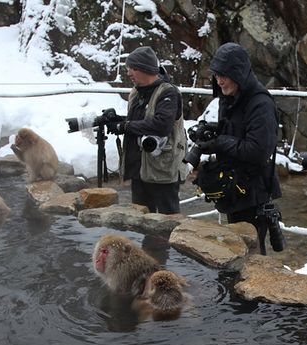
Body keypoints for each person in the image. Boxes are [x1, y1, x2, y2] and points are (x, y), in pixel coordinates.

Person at [195, 42, 283, 255]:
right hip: (234, 189)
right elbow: (236, 133)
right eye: (217, 75)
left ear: (238, 73)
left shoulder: (260, 104)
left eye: (224, 75)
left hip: (253, 191)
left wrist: (219, 142)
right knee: (234, 249)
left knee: (250, 255)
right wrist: (210, 133)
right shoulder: (230, 97)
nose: (220, 81)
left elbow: (258, 150)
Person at [109, 46, 187, 214]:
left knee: (168, 221)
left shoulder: (168, 93)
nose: (129, 73)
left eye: (134, 68)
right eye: (128, 68)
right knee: (141, 220)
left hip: (162, 171)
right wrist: (118, 120)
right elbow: (140, 122)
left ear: (147, 69)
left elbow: (161, 125)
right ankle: (146, 242)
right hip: (139, 169)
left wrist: (125, 126)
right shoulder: (136, 93)